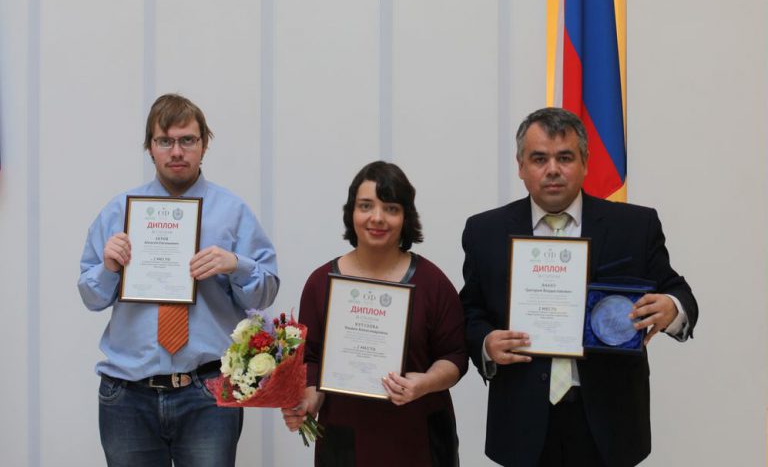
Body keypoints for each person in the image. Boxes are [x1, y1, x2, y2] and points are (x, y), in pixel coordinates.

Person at [460, 107, 698, 467]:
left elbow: (679, 293)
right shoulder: (485, 231)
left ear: (585, 163)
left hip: (610, 422)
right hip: (522, 421)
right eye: (539, 159)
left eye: (565, 157)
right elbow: (470, 310)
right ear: (521, 166)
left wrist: (670, 307)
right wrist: (485, 343)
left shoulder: (634, 226)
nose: (552, 169)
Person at [78, 94, 279, 467]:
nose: (176, 151)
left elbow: (265, 292)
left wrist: (235, 264)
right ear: (150, 148)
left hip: (207, 393)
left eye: (187, 140)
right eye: (165, 141)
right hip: (127, 395)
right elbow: (91, 298)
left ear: (204, 145)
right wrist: (109, 267)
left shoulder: (233, 212)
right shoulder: (120, 212)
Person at [281, 161, 468, 466]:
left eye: (391, 208)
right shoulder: (320, 283)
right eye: (366, 206)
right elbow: (310, 360)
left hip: (419, 438)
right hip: (345, 440)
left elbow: (455, 356)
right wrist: (309, 400)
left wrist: (425, 382)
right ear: (351, 213)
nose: (377, 218)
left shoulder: (432, 282)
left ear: (406, 217)